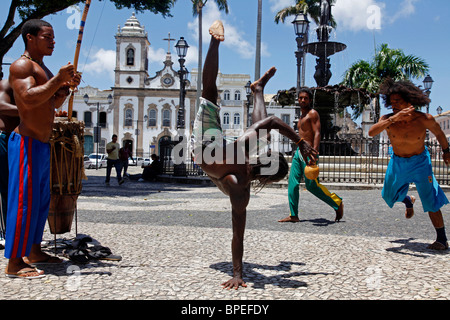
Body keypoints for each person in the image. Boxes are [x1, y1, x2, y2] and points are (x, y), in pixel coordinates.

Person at [191, 21, 317, 290]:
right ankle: (258, 89)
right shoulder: (244, 182)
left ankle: (214, 42)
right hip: (213, 151)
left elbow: (272, 120)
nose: (266, 154)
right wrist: (238, 272)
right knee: (257, 132)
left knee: (209, 92)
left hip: (203, 147)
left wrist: (300, 143)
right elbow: (239, 233)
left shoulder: (242, 174)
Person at [5, 19, 81, 278]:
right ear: (30, 38)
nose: (53, 41)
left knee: (39, 202)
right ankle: (15, 262)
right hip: (25, 142)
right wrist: (58, 79)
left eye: (53, 36)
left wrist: (65, 88)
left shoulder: (42, 68)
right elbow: (27, 98)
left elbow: (50, 100)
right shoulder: (21, 65)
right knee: (24, 202)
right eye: (47, 36)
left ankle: (34, 250)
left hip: (41, 144)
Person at [369, 78, 449, 250]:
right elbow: (371, 132)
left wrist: (446, 151)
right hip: (398, 162)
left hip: (420, 162)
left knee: (430, 199)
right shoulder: (388, 119)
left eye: (398, 102)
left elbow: (440, 134)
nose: (394, 106)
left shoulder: (423, 119)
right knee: (388, 196)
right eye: (392, 103)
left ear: (409, 101)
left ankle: (441, 239)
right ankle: (408, 201)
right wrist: (393, 119)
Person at [278, 88, 343, 223]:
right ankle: (293, 215)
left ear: (310, 100)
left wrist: (315, 152)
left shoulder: (313, 114)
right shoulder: (301, 116)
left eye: (305, 98)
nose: (302, 100)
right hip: (298, 153)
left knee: (312, 186)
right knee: (292, 183)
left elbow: (317, 133)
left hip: (309, 154)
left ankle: (337, 202)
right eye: (300, 98)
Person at [0, 79, 19, 249]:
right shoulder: (6, 85)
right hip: (3, 137)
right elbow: (1, 106)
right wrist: (29, 111)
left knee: (12, 189)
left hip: (12, 139)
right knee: (5, 189)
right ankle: (4, 233)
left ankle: (10, 232)